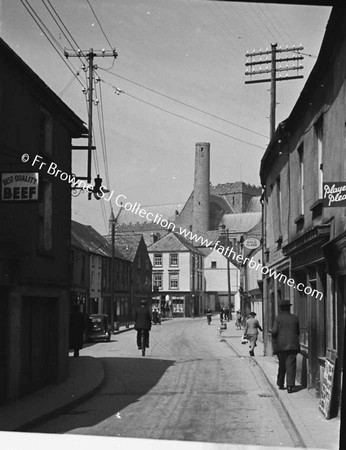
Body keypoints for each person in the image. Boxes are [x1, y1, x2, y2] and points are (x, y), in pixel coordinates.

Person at [271, 299, 300, 393]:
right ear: (289, 308)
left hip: (280, 346)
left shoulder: (278, 318)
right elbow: (298, 332)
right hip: (292, 345)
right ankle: (290, 386)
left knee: (282, 365)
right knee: (291, 365)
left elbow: (274, 331)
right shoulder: (295, 318)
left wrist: (275, 338)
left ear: (281, 308)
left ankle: (280, 382)